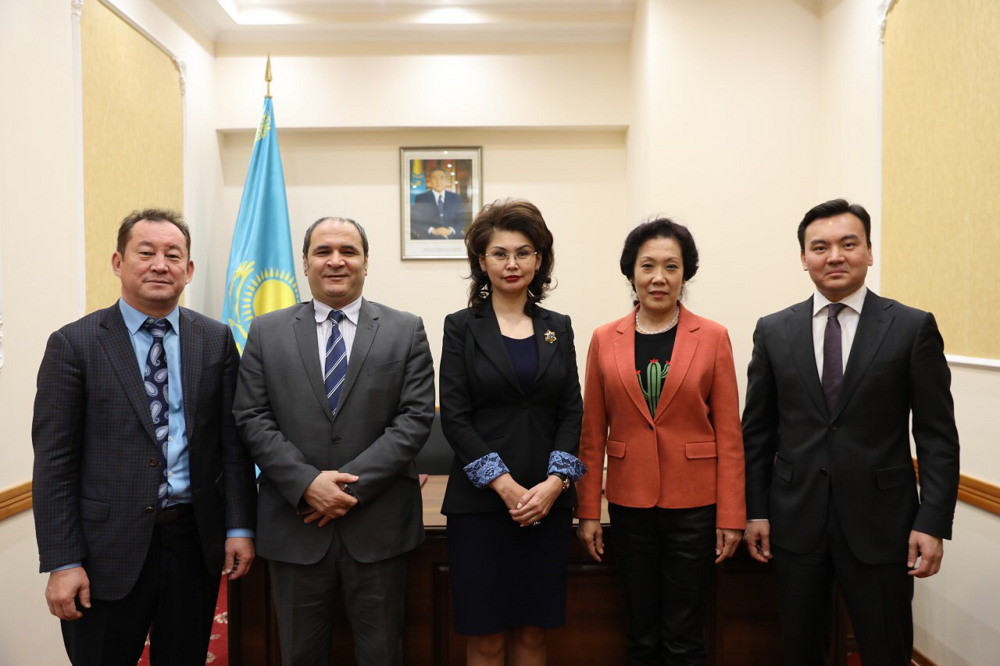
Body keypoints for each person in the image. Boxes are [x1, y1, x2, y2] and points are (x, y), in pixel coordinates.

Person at [32, 209, 257, 665]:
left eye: (173, 255)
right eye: (146, 252)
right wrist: (63, 561)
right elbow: (54, 463)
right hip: (103, 552)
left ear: (188, 270)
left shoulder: (214, 339)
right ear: (118, 262)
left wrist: (238, 526)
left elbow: (232, 447)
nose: (160, 265)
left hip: (193, 543)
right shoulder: (75, 344)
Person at [742, 199, 960, 665]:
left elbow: (937, 436)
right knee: (801, 650)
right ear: (804, 258)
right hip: (794, 523)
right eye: (820, 247)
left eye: (848, 244)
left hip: (884, 525)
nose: (834, 256)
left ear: (869, 251)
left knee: (886, 649)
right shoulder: (773, 331)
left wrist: (932, 521)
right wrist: (755, 511)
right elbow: (756, 434)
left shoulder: (911, 327)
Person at [233, 216, 435, 666]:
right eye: (323, 251)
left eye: (348, 251)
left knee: (383, 656)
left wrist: (345, 488)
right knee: (300, 656)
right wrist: (307, 484)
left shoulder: (406, 329)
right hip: (295, 525)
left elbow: (415, 418)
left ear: (366, 262)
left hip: (380, 527)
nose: (336, 261)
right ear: (305, 263)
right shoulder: (266, 331)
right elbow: (251, 416)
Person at [576, 218, 745, 665]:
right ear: (631, 272)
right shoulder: (604, 338)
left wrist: (731, 515)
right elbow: (591, 434)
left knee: (685, 638)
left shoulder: (712, 337)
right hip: (629, 503)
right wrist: (588, 511)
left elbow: (730, 435)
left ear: (685, 274)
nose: (658, 277)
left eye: (671, 266)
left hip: (695, 505)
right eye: (647, 265)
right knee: (640, 635)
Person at [439, 199, 585, 665]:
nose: (512, 263)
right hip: (481, 507)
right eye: (500, 253)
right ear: (482, 262)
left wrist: (555, 484)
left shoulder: (557, 327)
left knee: (534, 633)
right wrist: (504, 485)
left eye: (523, 253)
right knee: (485, 636)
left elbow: (571, 410)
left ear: (539, 260)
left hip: (547, 503)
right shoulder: (461, 327)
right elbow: (455, 416)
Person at [411, 167, 465, 239]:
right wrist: (433, 231)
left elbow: (461, 219)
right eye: (434, 178)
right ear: (430, 181)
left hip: (452, 236)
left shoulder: (455, 198)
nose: (438, 181)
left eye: (441, 178)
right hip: (429, 237)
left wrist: (450, 230)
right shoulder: (421, 198)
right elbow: (417, 220)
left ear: (446, 180)